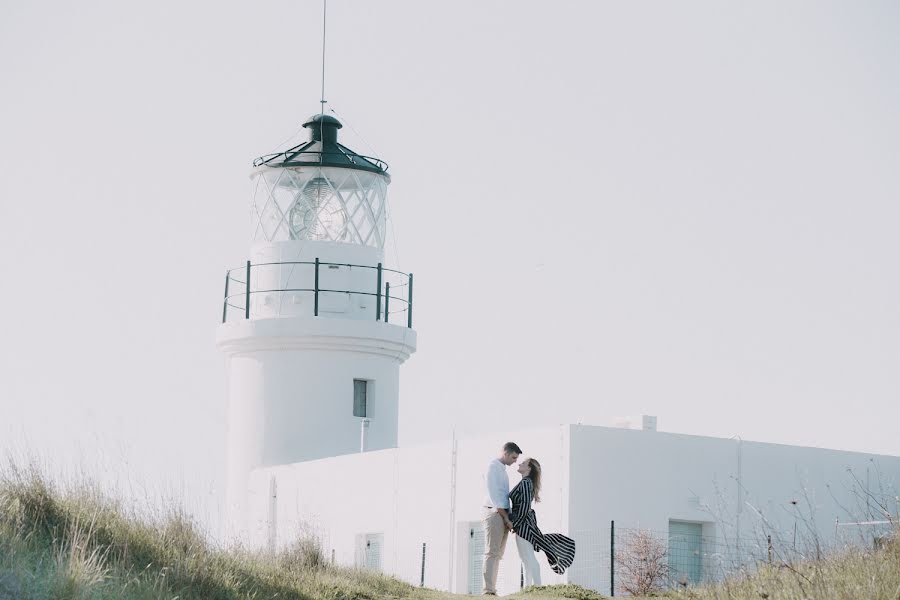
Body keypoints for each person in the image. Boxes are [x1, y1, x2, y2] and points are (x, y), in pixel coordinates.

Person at [509, 457, 576, 586]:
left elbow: (524, 506)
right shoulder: (526, 482)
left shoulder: (525, 483)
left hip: (524, 526)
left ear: (529, 468)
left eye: (523, 463)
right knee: (525, 558)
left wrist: (515, 524)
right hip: (524, 525)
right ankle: (529, 588)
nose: (519, 463)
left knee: (529, 558)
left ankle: (537, 587)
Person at [482, 441, 522, 595]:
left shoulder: (502, 469)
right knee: (492, 552)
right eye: (513, 457)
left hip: (502, 514)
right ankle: (488, 591)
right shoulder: (493, 467)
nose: (515, 461)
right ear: (505, 453)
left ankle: (492, 589)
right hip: (495, 513)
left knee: (498, 554)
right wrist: (506, 518)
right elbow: (495, 496)